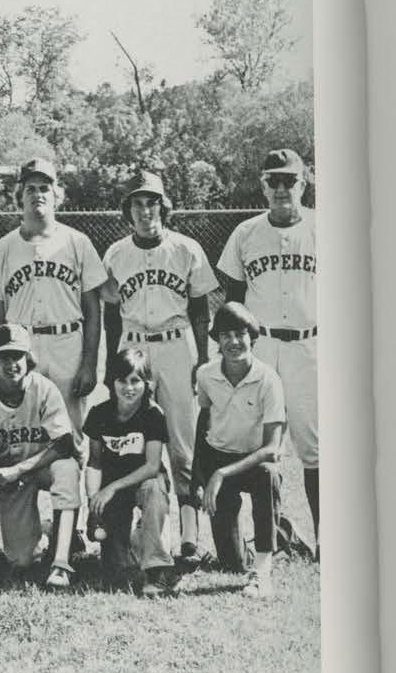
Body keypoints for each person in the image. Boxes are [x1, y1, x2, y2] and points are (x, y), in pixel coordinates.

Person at [101, 168, 217, 567]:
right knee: (132, 438)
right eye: (137, 203)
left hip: (175, 344)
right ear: (128, 210)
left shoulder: (186, 248)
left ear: (163, 207)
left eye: (152, 202)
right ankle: (136, 531)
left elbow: (200, 310)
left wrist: (202, 360)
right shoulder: (116, 253)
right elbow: (111, 315)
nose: (145, 210)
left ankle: (189, 535)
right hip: (132, 344)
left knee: (182, 442)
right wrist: (110, 364)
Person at [216, 146, 318, 554]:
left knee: (314, 447)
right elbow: (233, 303)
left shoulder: (323, 228)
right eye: (272, 180)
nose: (280, 188)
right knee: (258, 444)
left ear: (303, 184)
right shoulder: (245, 233)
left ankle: (327, 541)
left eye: (288, 180)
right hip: (260, 348)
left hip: (309, 346)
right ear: (262, 186)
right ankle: (273, 536)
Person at [0, 156, 105, 437]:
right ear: (20, 196)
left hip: (67, 345)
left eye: (44, 188)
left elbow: (92, 309)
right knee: (23, 430)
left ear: (57, 195)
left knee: (71, 432)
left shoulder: (77, 242)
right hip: (21, 347)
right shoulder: (3, 248)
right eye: (30, 188)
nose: (38, 194)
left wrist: (89, 363)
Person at [0, 322, 80, 589]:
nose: (11, 364)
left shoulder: (44, 389)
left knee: (67, 469)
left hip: (44, 464)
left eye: (17, 356)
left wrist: (19, 470)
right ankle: (49, 529)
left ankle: (61, 564)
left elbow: (64, 444)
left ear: (29, 358)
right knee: (21, 560)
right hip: (11, 478)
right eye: (4, 357)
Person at [192, 301, 286, 600]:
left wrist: (220, 474)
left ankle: (263, 571)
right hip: (219, 456)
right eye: (225, 335)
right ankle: (281, 537)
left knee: (268, 475)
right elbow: (203, 420)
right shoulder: (206, 374)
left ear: (252, 337)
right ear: (217, 341)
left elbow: (271, 448)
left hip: (255, 461)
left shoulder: (268, 379)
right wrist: (199, 473)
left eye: (240, 334)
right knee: (232, 565)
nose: (233, 342)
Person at [83, 346, 173, 597]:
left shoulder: (153, 414)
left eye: (135, 381)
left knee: (153, 489)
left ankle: (156, 569)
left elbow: (152, 466)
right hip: (114, 489)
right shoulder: (99, 413)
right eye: (122, 380)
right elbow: (94, 462)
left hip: (145, 481)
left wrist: (111, 487)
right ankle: (134, 542)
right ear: (112, 381)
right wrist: (93, 503)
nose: (129, 388)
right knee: (116, 575)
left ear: (146, 383)